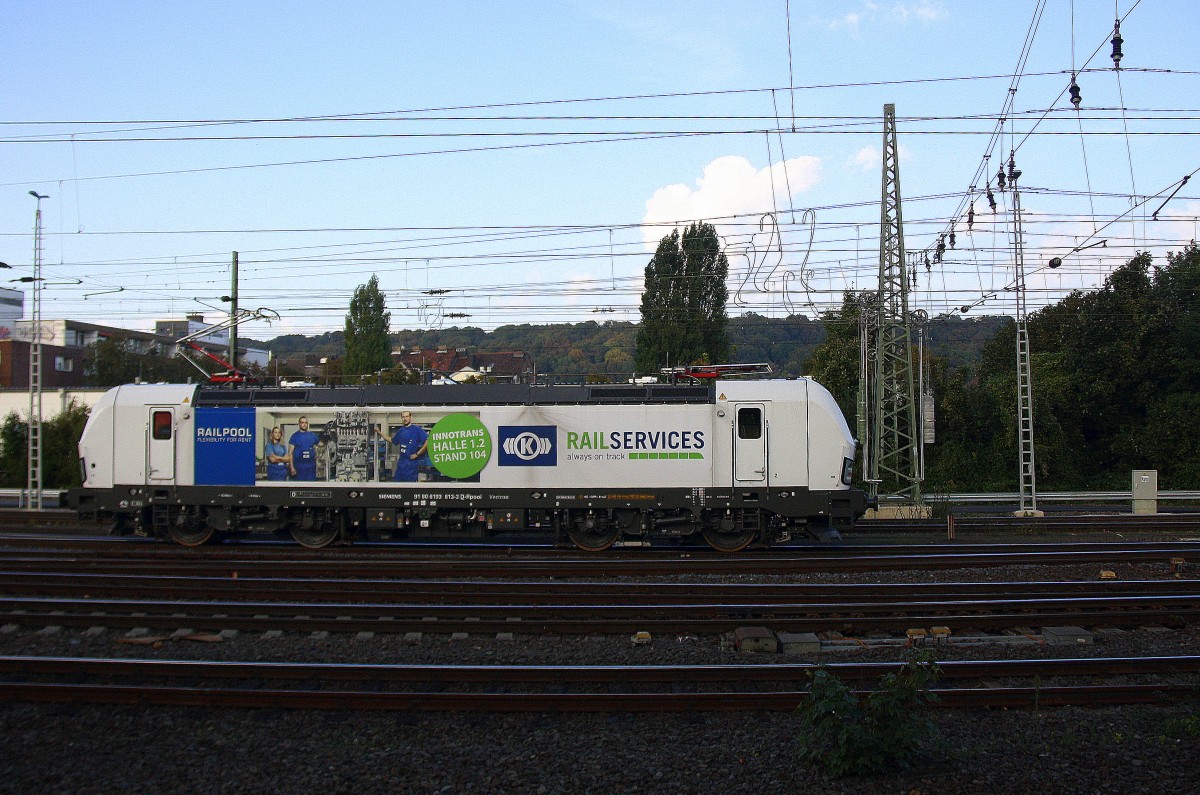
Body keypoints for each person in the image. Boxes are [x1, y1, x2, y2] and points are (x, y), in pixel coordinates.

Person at [390, 411, 429, 482]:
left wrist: (417, 454)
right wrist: (380, 433)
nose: (405, 419)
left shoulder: (416, 430)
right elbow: (392, 440)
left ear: (410, 418)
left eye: (407, 416)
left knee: (409, 488)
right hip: (401, 465)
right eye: (403, 417)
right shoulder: (401, 431)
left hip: (411, 466)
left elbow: (427, 441)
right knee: (396, 487)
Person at [288, 416, 321, 480]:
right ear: (299, 424)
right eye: (302, 422)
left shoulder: (312, 435)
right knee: (299, 487)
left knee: (311, 487)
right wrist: (291, 467)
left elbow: (321, 444)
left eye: (306, 422)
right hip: (299, 467)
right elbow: (290, 453)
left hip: (311, 466)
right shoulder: (294, 436)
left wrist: (317, 452)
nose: (304, 424)